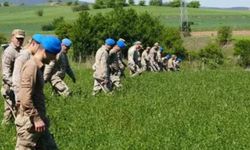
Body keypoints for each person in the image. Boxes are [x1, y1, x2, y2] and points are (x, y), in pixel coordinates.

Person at [15, 36, 61, 150]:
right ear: (45, 51)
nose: (54, 58)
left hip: (39, 121)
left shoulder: (39, 66)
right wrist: (36, 118)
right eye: (54, 54)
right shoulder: (31, 67)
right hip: (29, 123)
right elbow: (25, 97)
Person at [1, 29, 25, 125]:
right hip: (10, 86)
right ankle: (4, 129)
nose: (19, 41)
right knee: (9, 111)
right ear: (12, 38)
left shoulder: (21, 50)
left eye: (21, 39)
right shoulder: (9, 52)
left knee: (17, 109)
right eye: (17, 38)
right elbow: (5, 74)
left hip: (19, 85)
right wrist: (15, 84)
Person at [12, 34, 43, 107]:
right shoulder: (23, 56)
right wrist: (19, 98)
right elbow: (17, 77)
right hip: (23, 98)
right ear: (33, 43)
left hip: (31, 95)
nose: (40, 50)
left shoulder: (32, 56)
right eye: (39, 47)